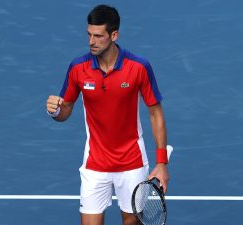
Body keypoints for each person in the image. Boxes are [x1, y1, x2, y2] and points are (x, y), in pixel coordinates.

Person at [46, 4, 169, 225]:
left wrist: (161, 163)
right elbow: (66, 111)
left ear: (114, 35)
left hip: (132, 163)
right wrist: (56, 110)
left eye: (98, 36)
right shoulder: (77, 68)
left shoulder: (139, 67)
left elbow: (155, 114)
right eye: (89, 35)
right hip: (95, 164)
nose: (91, 41)